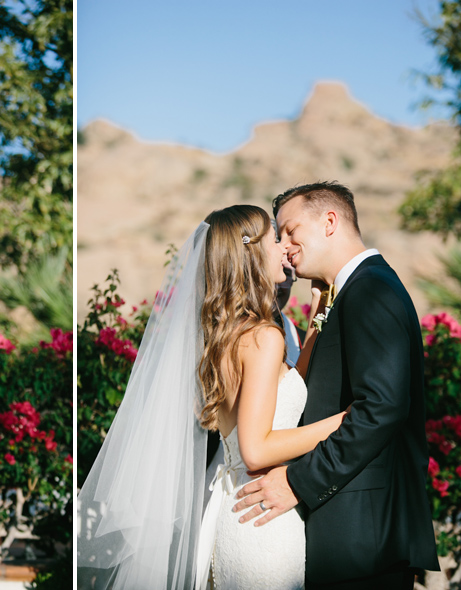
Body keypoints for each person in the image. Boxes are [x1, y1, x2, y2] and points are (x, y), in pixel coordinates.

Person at [77, 205, 345, 590]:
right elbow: (255, 449)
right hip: (264, 519)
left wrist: (316, 321)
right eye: (276, 239)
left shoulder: (225, 337)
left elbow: (282, 389)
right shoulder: (265, 337)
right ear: (252, 253)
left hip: (233, 513)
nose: (286, 251)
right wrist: (340, 423)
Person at [234, 182, 439, 589]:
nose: (285, 244)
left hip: (365, 536)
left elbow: (381, 408)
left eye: (291, 230)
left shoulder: (371, 290)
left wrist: (298, 481)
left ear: (330, 222)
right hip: (353, 536)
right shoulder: (351, 293)